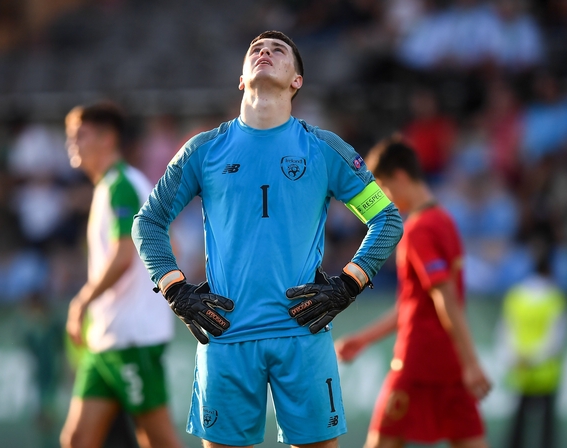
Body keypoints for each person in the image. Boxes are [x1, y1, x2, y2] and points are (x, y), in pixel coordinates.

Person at [132, 30, 404, 448]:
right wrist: (175, 290)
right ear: (241, 78)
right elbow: (148, 221)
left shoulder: (325, 150)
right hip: (225, 336)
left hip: (302, 334)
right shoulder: (204, 150)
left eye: (278, 50)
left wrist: (349, 284)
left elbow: (386, 219)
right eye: (256, 49)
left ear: (297, 80)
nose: (265, 52)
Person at [335, 138, 491, 448]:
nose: (386, 199)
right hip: (450, 363)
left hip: (417, 362)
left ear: (401, 178)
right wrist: (364, 339)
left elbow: (443, 298)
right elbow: (415, 304)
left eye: (385, 189)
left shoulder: (419, 230)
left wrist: (473, 362)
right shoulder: (445, 222)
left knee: (381, 442)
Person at [60, 103, 181, 448]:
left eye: (79, 135)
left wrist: (82, 300)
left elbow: (123, 255)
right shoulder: (111, 186)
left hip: (131, 336)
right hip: (106, 338)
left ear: (107, 138)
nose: (72, 144)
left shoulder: (122, 185)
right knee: (77, 439)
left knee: (157, 440)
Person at [500, 243, 567, 448]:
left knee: (518, 425)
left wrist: (518, 357)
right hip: (546, 372)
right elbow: (556, 339)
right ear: (550, 271)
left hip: (522, 369)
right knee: (547, 428)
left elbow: (505, 332)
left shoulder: (515, 296)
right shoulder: (555, 298)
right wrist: (535, 357)